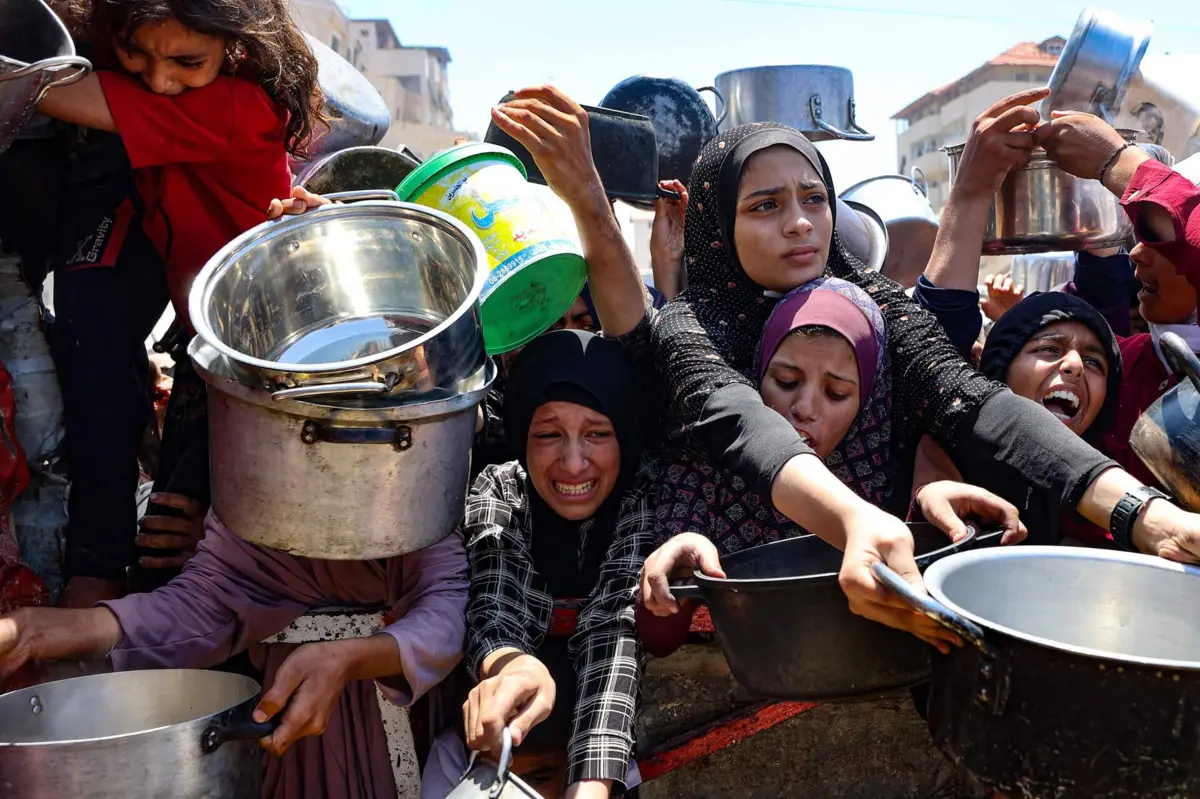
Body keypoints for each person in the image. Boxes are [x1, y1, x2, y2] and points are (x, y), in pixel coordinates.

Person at [640, 111, 1200, 645]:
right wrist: (858, 521)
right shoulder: (688, 326)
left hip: (882, 615)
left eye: (815, 198)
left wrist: (1145, 514)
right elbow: (744, 425)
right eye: (765, 206)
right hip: (736, 626)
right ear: (718, 223)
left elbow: (972, 400)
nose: (801, 222)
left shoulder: (879, 308)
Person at [36, 0, 319, 605]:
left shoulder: (234, 108)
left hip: (252, 363)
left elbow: (58, 93)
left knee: (184, 534)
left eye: (187, 62)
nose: (161, 81)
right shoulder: (184, 89)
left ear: (236, 48)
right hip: (204, 341)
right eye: (138, 53)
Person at [641, 278, 1024, 655]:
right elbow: (659, 638)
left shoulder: (899, 465)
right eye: (786, 381)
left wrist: (936, 512)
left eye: (836, 393)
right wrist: (678, 569)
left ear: (870, 399)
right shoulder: (702, 466)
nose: (804, 408)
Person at [0, 520, 467, 799]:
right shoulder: (255, 474)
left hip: (400, 710)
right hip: (292, 728)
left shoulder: (419, 467)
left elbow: (448, 610)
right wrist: (37, 632)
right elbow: (199, 608)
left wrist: (353, 658)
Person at [422, 331, 653, 799]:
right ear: (523, 434)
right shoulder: (500, 491)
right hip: (516, 725)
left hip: (614, 728)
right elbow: (497, 603)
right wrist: (513, 668)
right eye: (548, 434)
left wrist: (589, 784)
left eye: (597, 434)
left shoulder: (640, 497)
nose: (573, 462)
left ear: (624, 435)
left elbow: (614, 622)